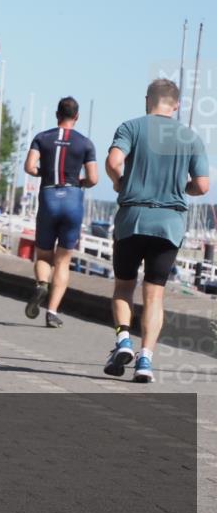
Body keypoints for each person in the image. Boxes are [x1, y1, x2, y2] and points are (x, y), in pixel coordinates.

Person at [103, 79, 208, 382]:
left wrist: (118, 182)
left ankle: (123, 339)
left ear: (147, 100)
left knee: (124, 287)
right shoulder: (191, 138)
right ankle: (145, 359)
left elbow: (113, 161)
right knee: (154, 296)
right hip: (169, 224)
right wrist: (181, 187)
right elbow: (202, 186)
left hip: (132, 219)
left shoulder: (131, 127)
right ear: (176, 105)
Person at [22, 97, 98, 328]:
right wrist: (79, 183)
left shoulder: (42, 138)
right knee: (63, 261)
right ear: (77, 117)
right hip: (73, 199)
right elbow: (94, 179)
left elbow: (29, 167)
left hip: (49, 197)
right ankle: (52, 312)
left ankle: (42, 284)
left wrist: (43, 174)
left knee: (44, 256)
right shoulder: (85, 143)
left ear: (58, 114)